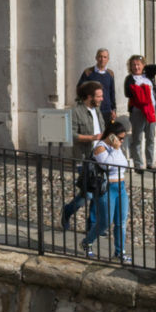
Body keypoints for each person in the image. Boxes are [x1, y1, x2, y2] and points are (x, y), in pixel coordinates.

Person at [58, 79, 105, 229]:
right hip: (84, 158)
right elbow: (71, 134)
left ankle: (92, 226)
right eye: (99, 96)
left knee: (98, 192)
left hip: (100, 157)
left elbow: (102, 129)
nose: (102, 99)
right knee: (87, 194)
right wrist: (92, 138)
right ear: (89, 97)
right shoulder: (75, 112)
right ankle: (67, 211)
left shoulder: (97, 110)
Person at [84, 120, 133, 259]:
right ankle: (87, 242)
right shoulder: (101, 147)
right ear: (112, 135)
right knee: (105, 222)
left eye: (123, 138)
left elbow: (123, 163)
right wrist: (116, 149)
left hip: (121, 187)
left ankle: (120, 251)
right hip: (107, 188)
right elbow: (107, 166)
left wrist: (117, 149)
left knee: (121, 222)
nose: (122, 141)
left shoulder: (116, 147)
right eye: (120, 138)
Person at [123, 53, 156, 170]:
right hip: (138, 111)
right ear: (130, 66)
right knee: (138, 138)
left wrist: (144, 65)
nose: (136, 67)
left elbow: (155, 67)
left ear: (143, 65)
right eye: (133, 65)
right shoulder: (130, 79)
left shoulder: (148, 76)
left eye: (138, 64)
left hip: (151, 110)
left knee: (150, 138)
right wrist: (141, 91)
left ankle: (150, 163)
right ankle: (138, 164)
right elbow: (128, 93)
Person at [76, 49, 118, 125]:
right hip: (92, 108)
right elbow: (80, 89)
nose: (102, 59)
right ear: (96, 58)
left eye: (105, 57)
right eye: (100, 56)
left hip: (106, 110)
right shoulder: (88, 72)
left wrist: (113, 109)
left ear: (108, 59)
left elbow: (112, 92)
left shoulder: (110, 73)